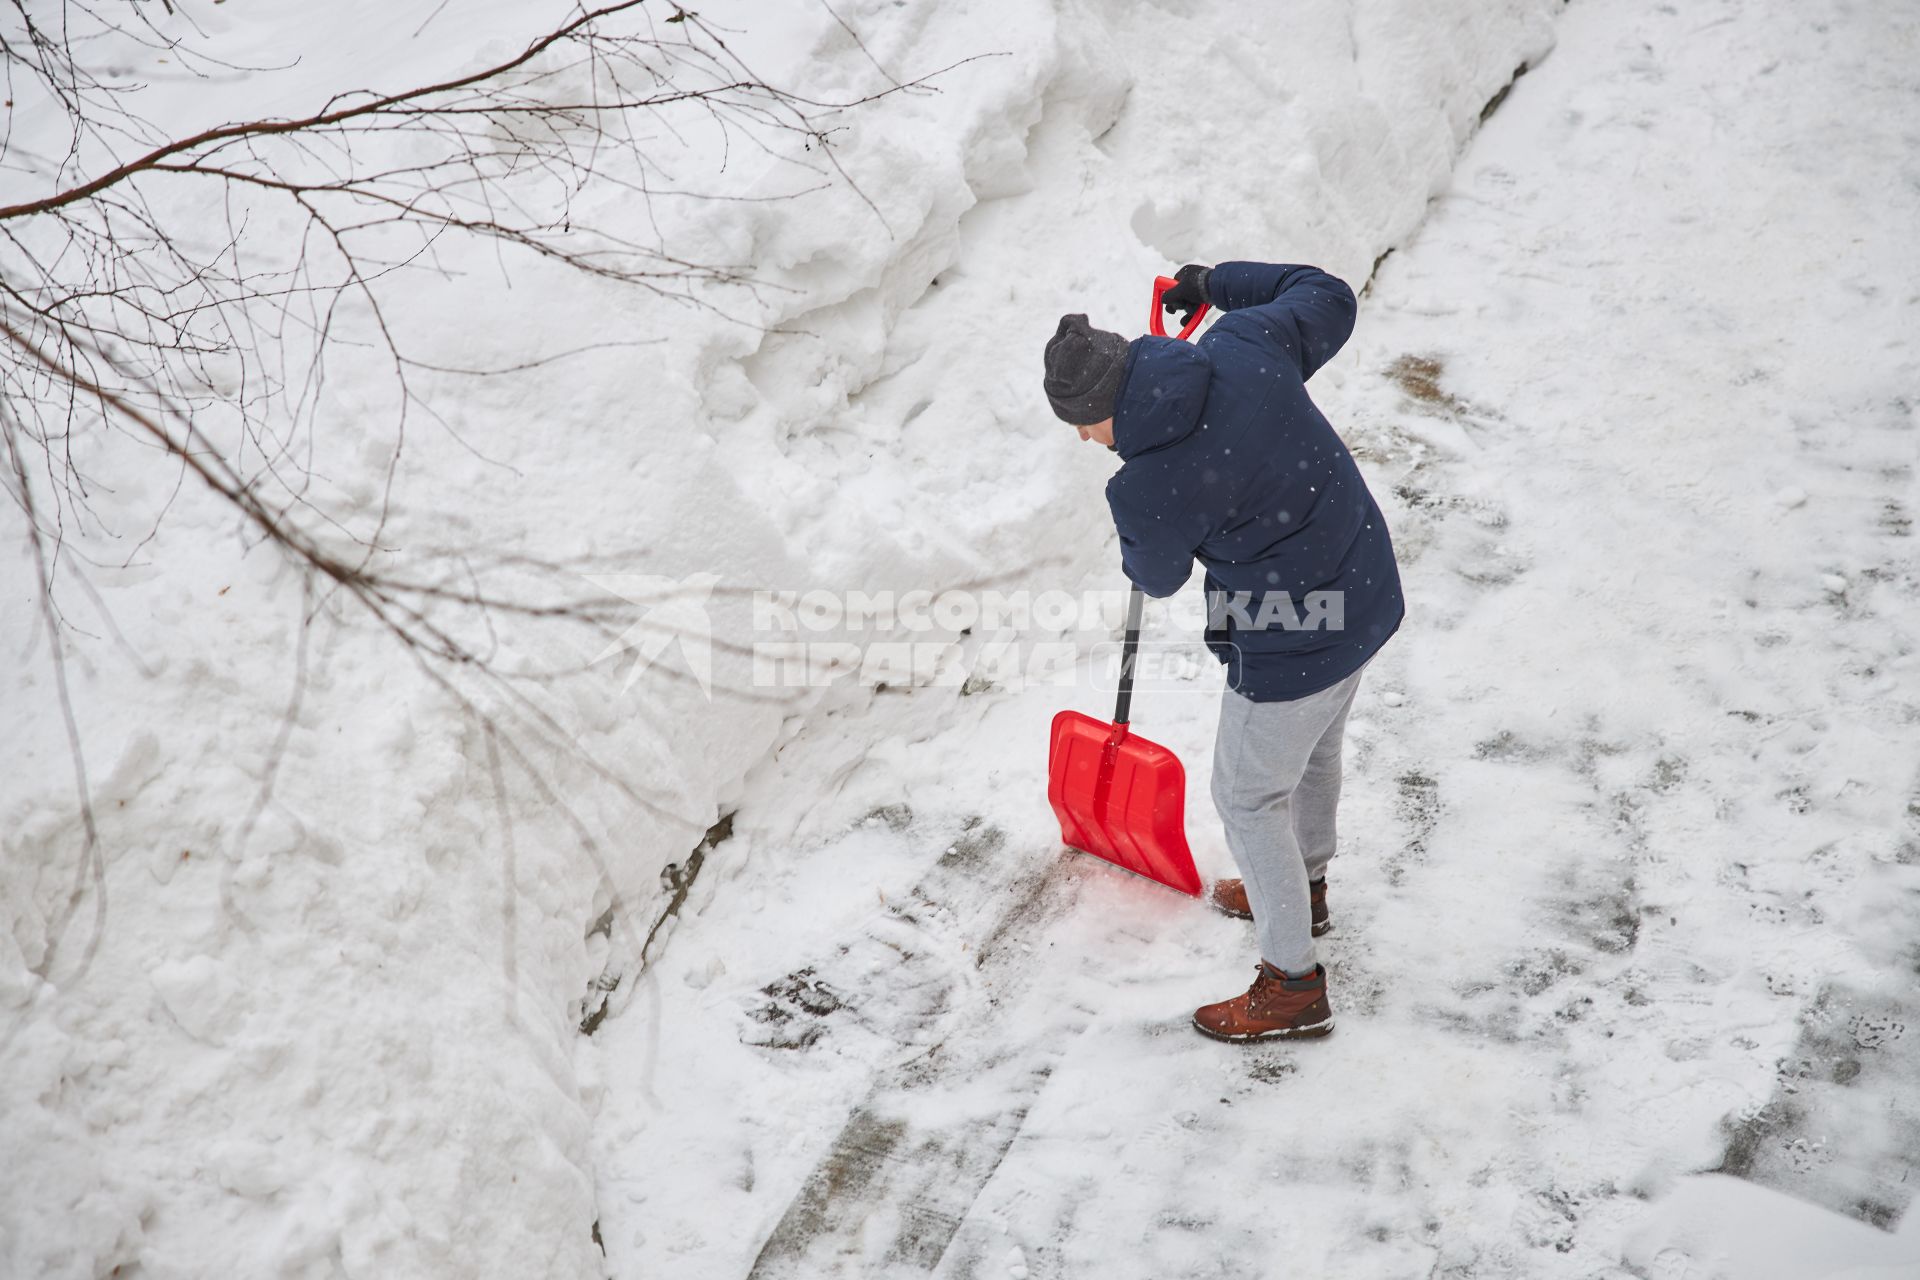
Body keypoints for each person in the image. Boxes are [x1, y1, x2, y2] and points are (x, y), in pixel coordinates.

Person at [1042, 261, 1404, 1041]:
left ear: (1106, 407)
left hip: (1295, 637)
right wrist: (1215, 284)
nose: (1082, 438)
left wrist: (1137, 525)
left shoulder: (1147, 484)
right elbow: (1327, 294)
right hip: (1367, 590)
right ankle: (1302, 890)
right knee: (1312, 753)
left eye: (1082, 422)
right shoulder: (1245, 342)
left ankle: (1292, 984)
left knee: (1246, 797)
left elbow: (1158, 576)